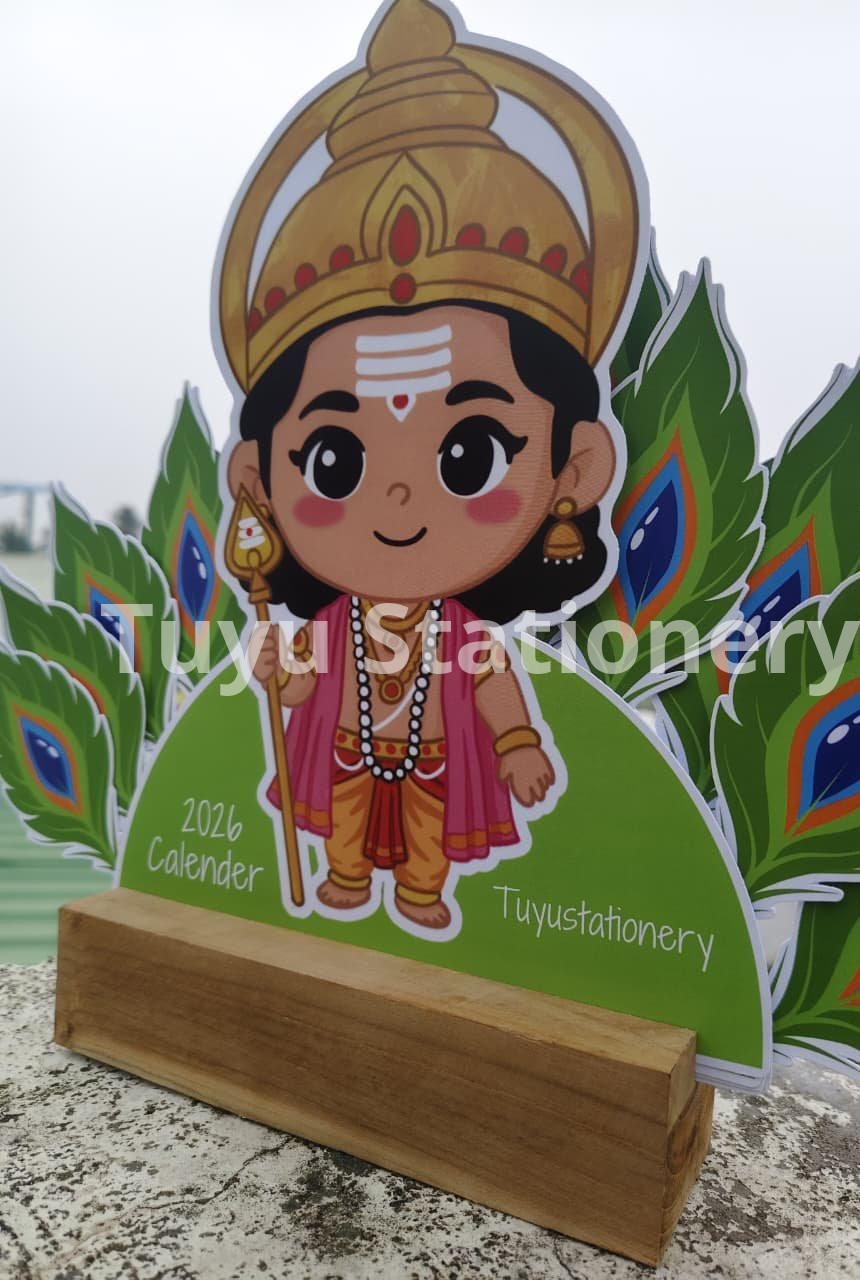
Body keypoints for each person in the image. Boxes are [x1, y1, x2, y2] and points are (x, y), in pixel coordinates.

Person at [215, 0, 645, 931]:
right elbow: (297, 683)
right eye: (334, 460)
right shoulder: (329, 622)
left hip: (439, 761)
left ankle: (418, 889)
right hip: (345, 752)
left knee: (425, 832)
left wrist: (520, 741)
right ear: (257, 477)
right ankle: (343, 880)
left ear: (574, 467)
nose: (400, 495)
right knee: (344, 819)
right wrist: (277, 670)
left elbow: (491, 683)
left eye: (470, 455)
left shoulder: (462, 631)